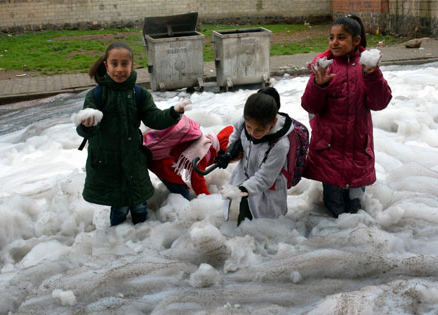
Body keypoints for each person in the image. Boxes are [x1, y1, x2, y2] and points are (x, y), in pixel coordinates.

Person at [75, 42, 189, 226]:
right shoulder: (96, 95)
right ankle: (119, 244)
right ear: (106, 65)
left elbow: (154, 118)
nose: (119, 69)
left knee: (139, 205)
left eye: (124, 64)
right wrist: (87, 124)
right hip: (108, 163)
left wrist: (174, 112)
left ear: (132, 65)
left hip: (133, 159)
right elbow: (85, 130)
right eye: (114, 63)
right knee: (119, 208)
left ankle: (141, 242)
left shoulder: (139, 94)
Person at [301, 14, 392, 217]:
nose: (334, 42)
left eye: (341, 37)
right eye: (331, 37)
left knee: (356, 210)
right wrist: (319, 85)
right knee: (334, 210)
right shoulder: (324, 66)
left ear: (356, 40)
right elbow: (309, 105)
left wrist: (373, 75)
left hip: (358, 148)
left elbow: (380, 103)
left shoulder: (366, 66)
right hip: (329, 150)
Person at [218, 87, 295, 225]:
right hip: (243, 183)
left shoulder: (280, 145)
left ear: (273, 122)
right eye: (249, 127)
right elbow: (235, 136)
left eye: (259, 129)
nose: (253, 133)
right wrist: (231, 153)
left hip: (266, 194)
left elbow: (264, 178)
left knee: (265, 232)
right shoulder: (245, 121)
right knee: (244, 226)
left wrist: (240, 190)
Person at [144, 120, 234, 199]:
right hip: (160, 161)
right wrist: (208, 200)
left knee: (177, 187)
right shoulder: (204, 151)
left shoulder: (207, 142)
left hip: (158, 157)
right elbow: (197, 180)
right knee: (183, 195)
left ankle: (162, 198)